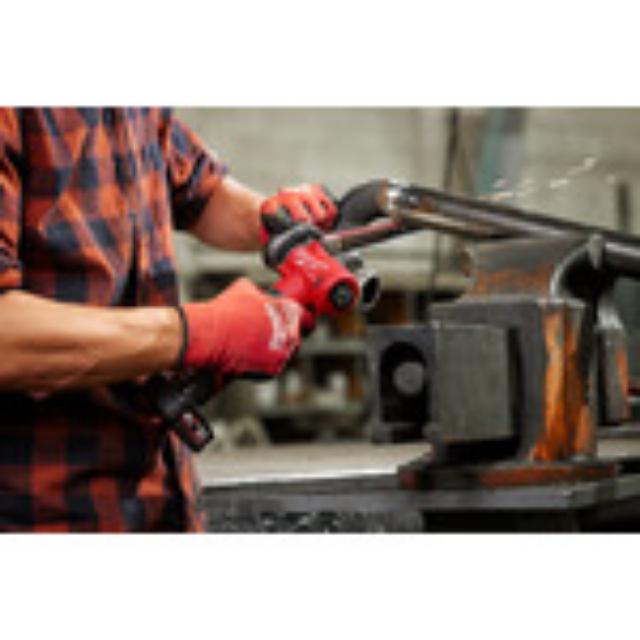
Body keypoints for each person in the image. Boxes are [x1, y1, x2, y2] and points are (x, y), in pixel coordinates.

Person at [0, 107, 339, 532]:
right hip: (41, 510)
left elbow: (200, 191)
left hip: (162, 495)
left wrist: (274, 221)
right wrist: (201, 333)